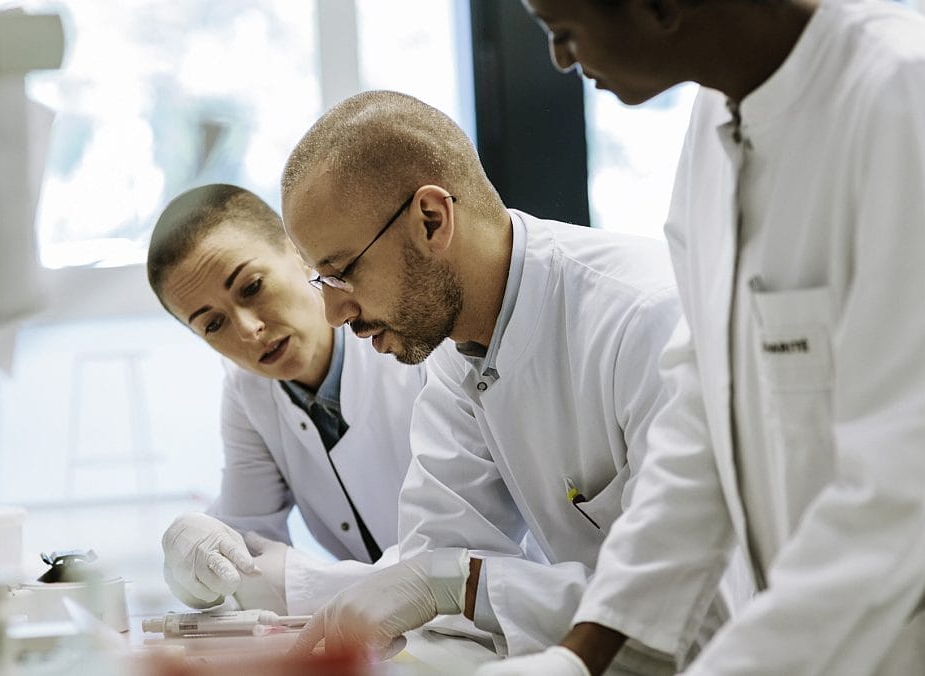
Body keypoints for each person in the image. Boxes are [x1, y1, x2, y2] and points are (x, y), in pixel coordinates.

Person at [479, 1, 925, 674]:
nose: (560, 60)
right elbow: (704, 412)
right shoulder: (717, 119)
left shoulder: (900, 97)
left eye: (562, 29)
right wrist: (580, 654)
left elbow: (902, 493)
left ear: (660, 7)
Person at [279, 90, 727, 672]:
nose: (335, 314)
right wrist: (444, 587)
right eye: (321, 282)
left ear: (431, 220)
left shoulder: (645, 319)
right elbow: (434, 572)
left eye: (342, 273)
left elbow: (698, 617)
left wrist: (462, 585)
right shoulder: (455, 353)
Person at [146, 184, 426, 617]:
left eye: (252, 287)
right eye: (213, 323)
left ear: (298, 250)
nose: (248, 329)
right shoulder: (247, 390)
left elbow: (457, 563)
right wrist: (195, 566)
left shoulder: (414, 345)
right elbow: (245, 550)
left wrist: (302, 584)